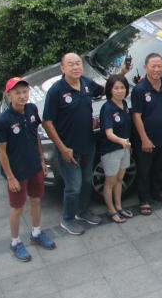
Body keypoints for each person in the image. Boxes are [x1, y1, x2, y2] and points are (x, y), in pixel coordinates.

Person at [43, 52, 123, 236]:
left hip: (87, 144)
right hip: (68, 149)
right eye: (71, 64)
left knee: (87, 180)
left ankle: (83, 211)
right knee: (73, 186)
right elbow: (47, 122)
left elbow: (102, 90)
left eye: (78, 63)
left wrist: (121, 72)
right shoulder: (56, 91)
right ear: (62, 68)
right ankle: (68, 218)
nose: (76, 67)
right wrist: (62, 148)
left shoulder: (85, 83)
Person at [0, 77, 56, 261]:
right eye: (17, 93)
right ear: (9, 95)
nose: (22, 96)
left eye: (24, 92)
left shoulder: (31, 109)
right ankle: (15, 243)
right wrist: (10, 177)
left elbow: (35, 136)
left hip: (34, 167)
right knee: (17, 208)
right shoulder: (4, 120)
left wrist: (42, 162)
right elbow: (2, 152)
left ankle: (36, 234)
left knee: (36, 200)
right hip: (17, 172)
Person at [131, 53, 162, 216]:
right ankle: (144, 199)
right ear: (145, 68)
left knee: (161, 166)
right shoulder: (140, 89)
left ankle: (158, 192)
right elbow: (136, 115)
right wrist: (144, 139)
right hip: (146, 138)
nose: (157, 69)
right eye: (153, 66)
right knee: (144, 169)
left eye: (159, 66)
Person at [99, 75, 134, 223]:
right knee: (110, 182)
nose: (120, 91)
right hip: (112, 150)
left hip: (124, 149)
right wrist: (122, 142)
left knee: (119, 179)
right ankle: (111, 210)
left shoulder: (124, 104)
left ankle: (119, 207)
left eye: (122, 88)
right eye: (116, 88)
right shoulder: (107, 108)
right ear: (110, 90)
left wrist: (126, 145)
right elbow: (109, 133)